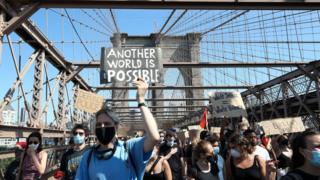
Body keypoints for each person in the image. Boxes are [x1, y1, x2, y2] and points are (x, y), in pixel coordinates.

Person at [75, 78, 160, 180]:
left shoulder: (129, 149)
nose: (102, 127)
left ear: (115, 127)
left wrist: (141, 100)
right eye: (98, 125)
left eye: (106, 123)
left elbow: (154, 137)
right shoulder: (88, 157)